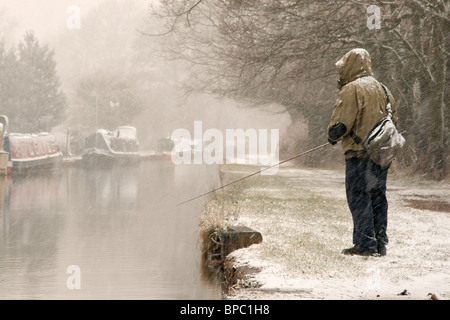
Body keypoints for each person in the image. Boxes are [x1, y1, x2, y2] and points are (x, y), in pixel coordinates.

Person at [327, 48, 398, 257]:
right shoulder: (384, 89)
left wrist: (332, 136)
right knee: (378, 196)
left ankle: (364, 244)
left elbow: (340, 125)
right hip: (382, 154)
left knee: (359, 197)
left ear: (349, 67)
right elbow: (394, 121)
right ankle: (380, 243)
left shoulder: (351, 89)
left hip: (359, 153)